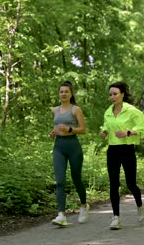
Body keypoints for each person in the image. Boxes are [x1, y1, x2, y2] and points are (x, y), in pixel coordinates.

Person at [100, 81, 144, 230]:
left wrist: (127, 132)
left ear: (122, 95)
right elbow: (107, 124)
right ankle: (116, 218)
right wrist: (105, 131)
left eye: (115, 94)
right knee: (113, 184)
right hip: (112, 150)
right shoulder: (108, 111)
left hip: (127, 149)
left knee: (131, 184)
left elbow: (142, 127)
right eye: (110, 94)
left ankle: (140, 205)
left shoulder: (132, 111)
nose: (112, 97)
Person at [49, 81, 89, 226]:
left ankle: (84, 206)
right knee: (59, 181)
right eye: (61, 92)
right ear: (58, 94)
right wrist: (54, 132)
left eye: (66, 91)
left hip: (73, 147)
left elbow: (83, 129)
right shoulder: (54, 110)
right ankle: (61, 215)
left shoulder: (75, 109)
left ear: (71, 93)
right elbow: (57, 125)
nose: (63, 94)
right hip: (59, 147)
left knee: (76, 178)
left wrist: (70, 129)